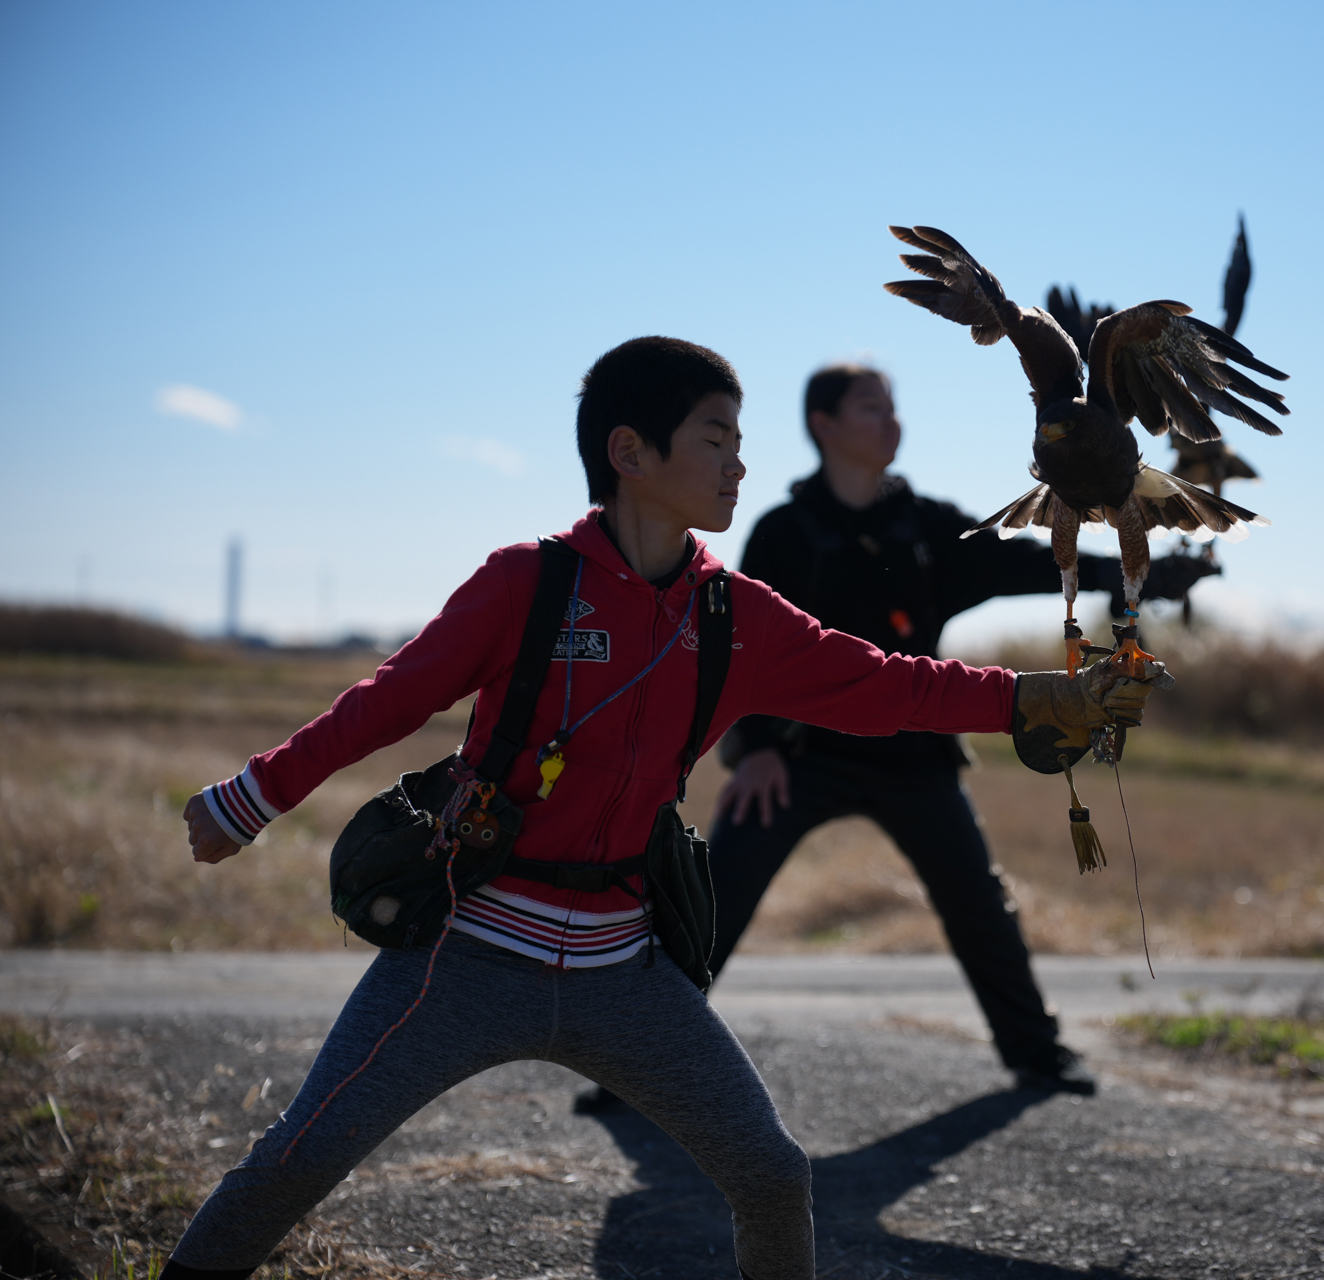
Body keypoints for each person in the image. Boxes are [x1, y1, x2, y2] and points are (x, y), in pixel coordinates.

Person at [164, 338, 1165, 1280]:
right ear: (630, 451)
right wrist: (249, 798)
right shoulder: (525, 582)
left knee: (775, 1175)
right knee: (293, 1161)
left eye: (743, 441)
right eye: (715, 439)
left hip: (625, 972)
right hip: (462, 953)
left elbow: (891, 683)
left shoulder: (734, 611)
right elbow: (386, 700)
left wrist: (1039, 697)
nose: (738, 464)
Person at [709, 364, 1211, 1094]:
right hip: (798, 758)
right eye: (870, 407)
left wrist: (1139, 574)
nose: (891, 420)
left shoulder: (926, 526)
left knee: (979, 905)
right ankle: (635, 1060)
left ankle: (1037, 1054)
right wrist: (751, 753)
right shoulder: (784, 534)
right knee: (712, 900)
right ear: (823, 425)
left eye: (894, 405)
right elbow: (740, 654)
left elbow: (1036, 563)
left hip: (915, 752)